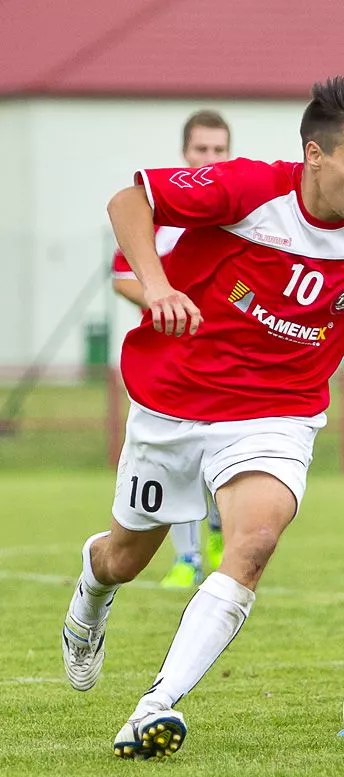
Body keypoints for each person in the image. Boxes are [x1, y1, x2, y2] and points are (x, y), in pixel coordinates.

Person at [62, 76, 344, 760]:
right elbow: (129, 201)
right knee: (124, 558)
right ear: (315, 154)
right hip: (175, 399)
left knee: (253, 543)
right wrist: (157, 287)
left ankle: (156, 705)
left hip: (276, 414)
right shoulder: (248, 189)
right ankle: (91, 595)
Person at [112, 109, 232, 588]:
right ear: (185, 152)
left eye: (219, 149)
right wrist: (165, 300)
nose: (210, 157)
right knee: (176, 463)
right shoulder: (161, 211)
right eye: (202, 149)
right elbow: (122, 276)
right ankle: (188, 559)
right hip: (171, 360)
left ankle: (219, 529)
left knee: (220, 460)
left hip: (227, 360)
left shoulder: (241, 211)